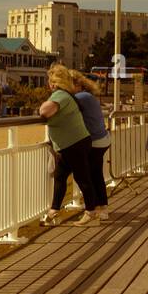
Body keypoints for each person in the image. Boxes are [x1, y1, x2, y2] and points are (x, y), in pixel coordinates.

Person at [39, 64, 102, 226]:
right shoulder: (66, 95)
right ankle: (54, 210)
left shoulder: (60, 95)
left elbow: (45, 112)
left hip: (74, 144)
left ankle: (91, 212)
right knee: (60, 176)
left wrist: (40, 108)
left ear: (53, 83)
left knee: (82, 178)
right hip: (72, 143)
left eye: (49, 81)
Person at [70, 73, 113, 222]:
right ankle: (100, 206)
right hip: (102, 139)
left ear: (78, 85)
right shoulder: (88, 96)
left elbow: (61, 106)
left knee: (88, 175)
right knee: (95, 174)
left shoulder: (80, 97)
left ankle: (96, 208)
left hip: (95, 141)